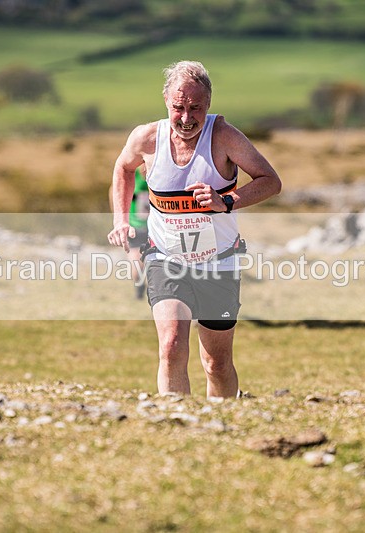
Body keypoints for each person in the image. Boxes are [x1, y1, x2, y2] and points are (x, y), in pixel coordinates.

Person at [108, 60, 281, 398]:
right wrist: (121, 219)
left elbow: (270, 181)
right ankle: (176, 423)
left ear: (209, 104)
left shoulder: (225, 137)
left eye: (196, 108)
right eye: (179, 107)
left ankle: (221, 425)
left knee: (215, 362)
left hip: (219, 261)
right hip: (165, 257)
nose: (187, 118)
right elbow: (123, 167)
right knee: (171, 346)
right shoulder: (147, 138)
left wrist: (226, 201)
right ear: (166, 102)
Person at [109, 166, 150, 299]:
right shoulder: (133, 174)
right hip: (135, 226)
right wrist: (119, 218)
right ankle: (139, 288)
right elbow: (114, 190)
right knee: (135, 258)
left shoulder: (158, 172)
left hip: (154, 226)